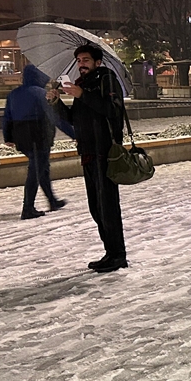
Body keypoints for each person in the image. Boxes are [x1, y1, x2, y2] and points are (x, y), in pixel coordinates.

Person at [47, 43, 129, 273]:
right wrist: (56, 102)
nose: (81, 64)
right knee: (96, 207)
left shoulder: (107, 80)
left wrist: (83, 95)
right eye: (79, 61)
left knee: (108, 206)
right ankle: (110, 252)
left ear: (97, 62)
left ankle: (118, 255)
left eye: (86, 60)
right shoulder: (82, 84)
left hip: (106, 152)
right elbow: (74, 119)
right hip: (88, 152)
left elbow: (113, 110)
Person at [3, 64, 73, 219]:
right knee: (35, 171)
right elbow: (56, 118)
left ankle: (52, 200)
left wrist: (8, 137)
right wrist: (74, 134)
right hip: (39, 137)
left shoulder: (13, 94)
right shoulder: (42, 94)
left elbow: (7, 117)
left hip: (22, 138)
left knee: (42, 168)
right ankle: (28, 208)